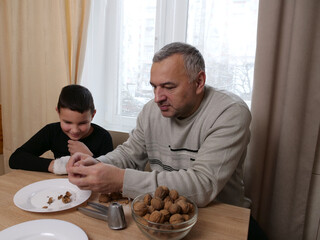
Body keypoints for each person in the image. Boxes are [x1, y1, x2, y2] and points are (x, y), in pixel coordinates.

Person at [66, 42, 252, 208]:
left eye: (169, 87)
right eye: (154, 87)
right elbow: (129, 155)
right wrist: (97, 164)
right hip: (164, 212)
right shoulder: (150, 111)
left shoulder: (230, 112)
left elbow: (203, 185)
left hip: (224, 216)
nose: (157, 98)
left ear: (199, 81)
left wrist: (120, 180)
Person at [9, 84, 113, 175]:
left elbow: (110, 173)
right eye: (67, 122)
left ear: (93, 115)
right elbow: (15, 159)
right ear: (58, 112)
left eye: (82, 123)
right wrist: (56, 166)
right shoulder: (51, 131)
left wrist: (90, 157)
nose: (75, 130)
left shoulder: (103, 137)